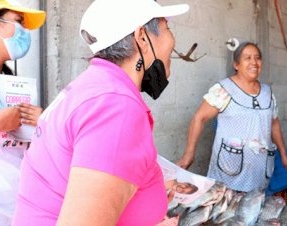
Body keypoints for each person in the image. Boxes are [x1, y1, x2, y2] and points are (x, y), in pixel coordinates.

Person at [12, 0, 189, 225]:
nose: (173, 41)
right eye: (167, 28)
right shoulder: (116, 107)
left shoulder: (93, 87)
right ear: (142, 37)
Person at [177, 42, 287, 192]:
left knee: (251, 209)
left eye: (257, 58)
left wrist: (283, 154)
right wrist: (189, 153)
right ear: (236, 64)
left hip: (259, 170)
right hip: (229, 169)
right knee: (226, 211)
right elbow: (199, 118)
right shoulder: (223, 89)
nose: (254, 62)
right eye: (247, 58)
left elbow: (274, 123)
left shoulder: (267, 93)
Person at [0, 0, 45, 225]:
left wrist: (43, 124)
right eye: (18, 21)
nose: (24, 32)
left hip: (19, 213)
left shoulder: (11, 83)